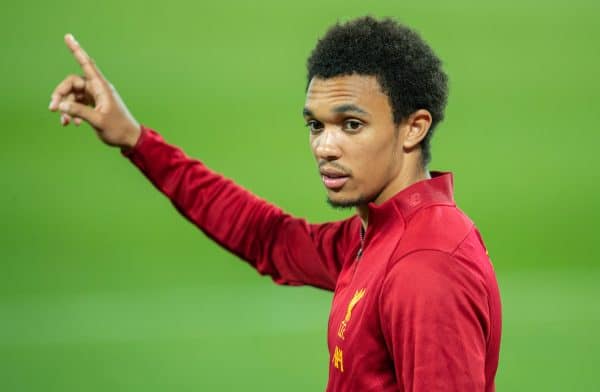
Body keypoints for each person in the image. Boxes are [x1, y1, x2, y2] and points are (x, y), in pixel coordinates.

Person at [49, 17, 502, 391]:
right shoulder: (381, 233)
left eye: (350, 124)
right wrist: (135, 139)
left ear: (413, 128)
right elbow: (268, 238)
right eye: (315, 125)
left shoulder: (425, 266)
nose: (325, 146)